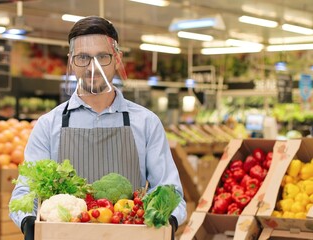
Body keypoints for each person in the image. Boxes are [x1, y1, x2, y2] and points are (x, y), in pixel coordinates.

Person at [10, 16, 186, 240]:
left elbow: (171, 191)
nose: (93, 67)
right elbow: (25, 192)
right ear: (71, 61)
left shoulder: (146, 123)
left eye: (102, 57)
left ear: (117, 59)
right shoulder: (48, 125)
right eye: (83, 57)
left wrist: (167, 220)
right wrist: (28, 222)